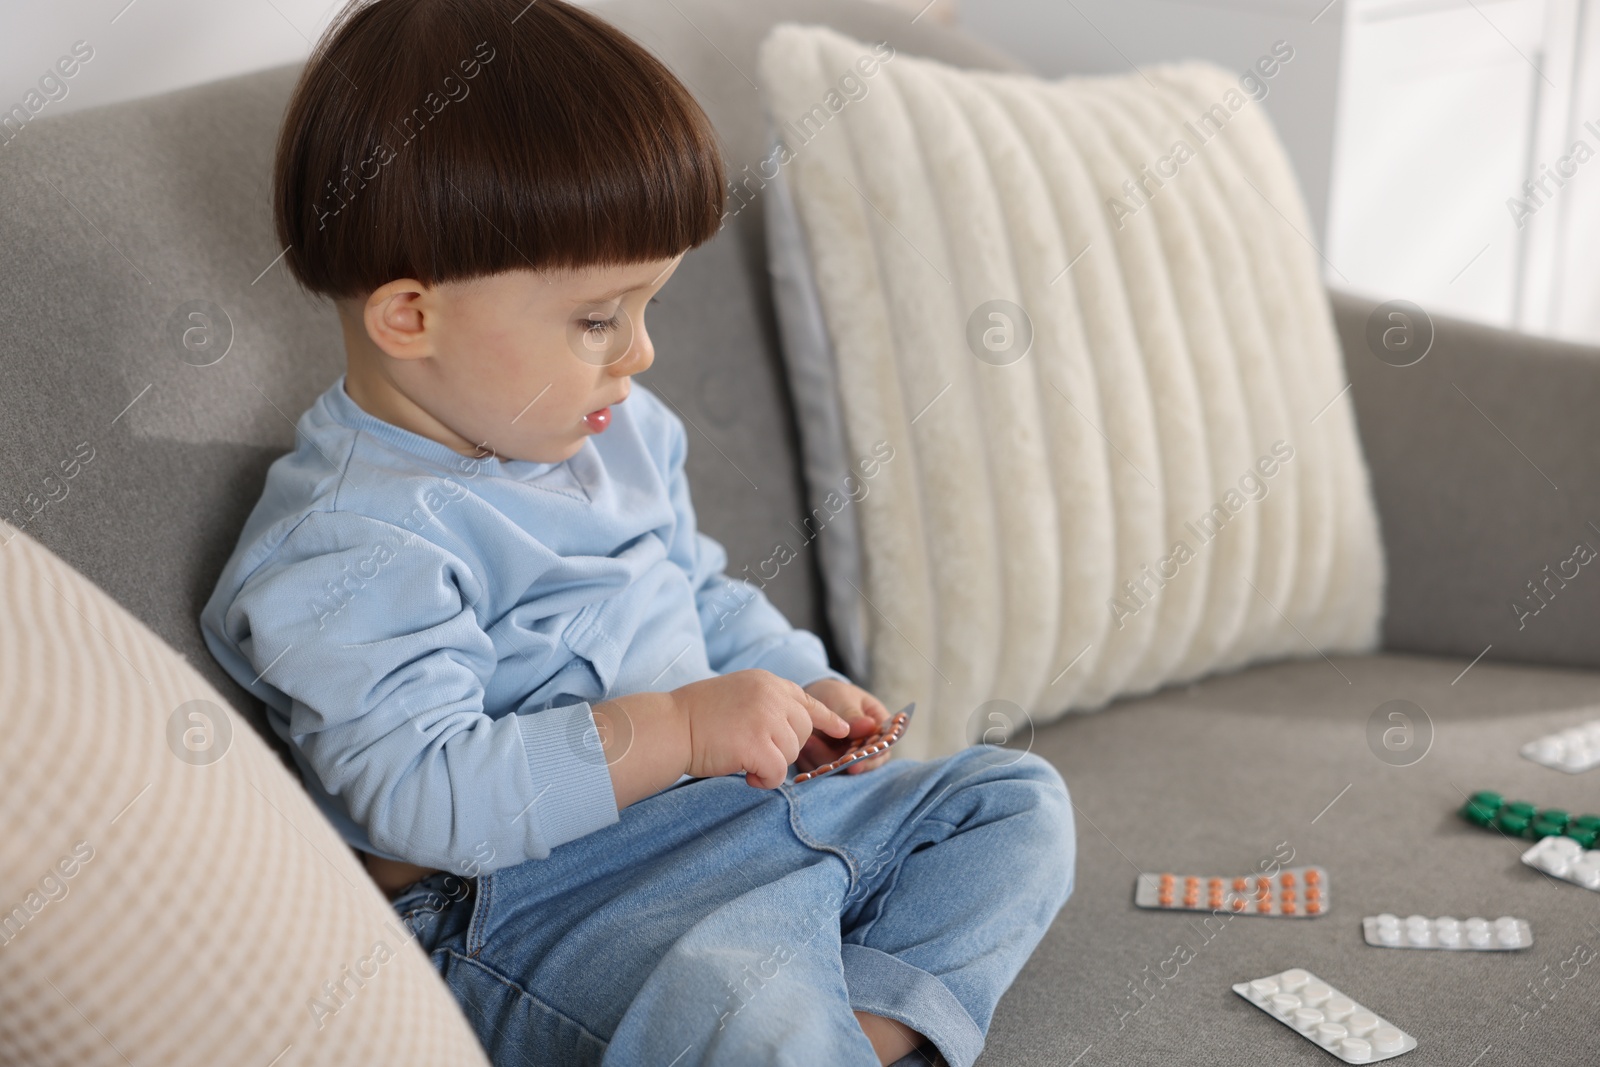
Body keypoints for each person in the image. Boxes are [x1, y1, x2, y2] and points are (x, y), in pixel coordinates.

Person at [200, 2, 1075, 1064]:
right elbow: (421, 794)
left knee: (1011, 803)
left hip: (743, 821)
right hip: (549, 899)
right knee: (731, 1008)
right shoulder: (351, 538)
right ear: (410, 319)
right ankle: (786, 1016)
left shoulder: (613, 434)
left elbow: (694, 591)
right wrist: (683, 730)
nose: (641, 353)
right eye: (597, 318)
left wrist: (800, 692)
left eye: (647, 305)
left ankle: (862, 1032)